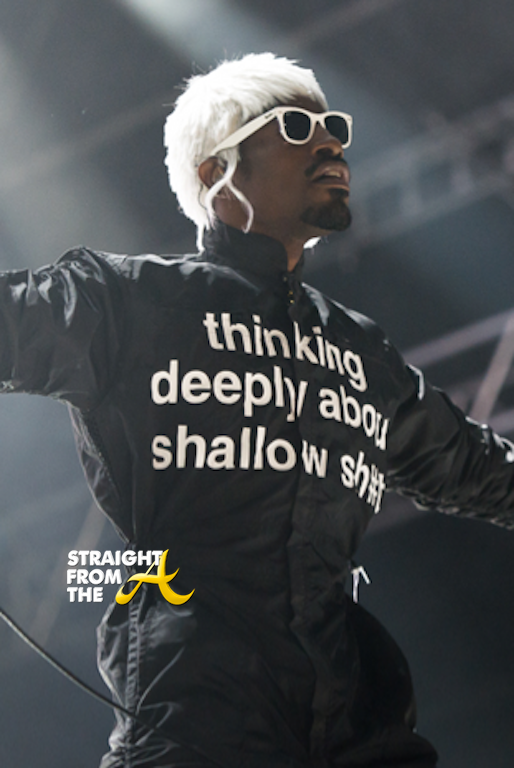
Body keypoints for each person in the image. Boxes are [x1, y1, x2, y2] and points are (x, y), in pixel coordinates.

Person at [1, 52, 513, 768]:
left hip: (358, 730)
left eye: (335, 127)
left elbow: (484, 471)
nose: (330, 142)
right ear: (217, 172)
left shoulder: (360, 352)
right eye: (297, 127)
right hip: (198, 730)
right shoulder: (128, 305)